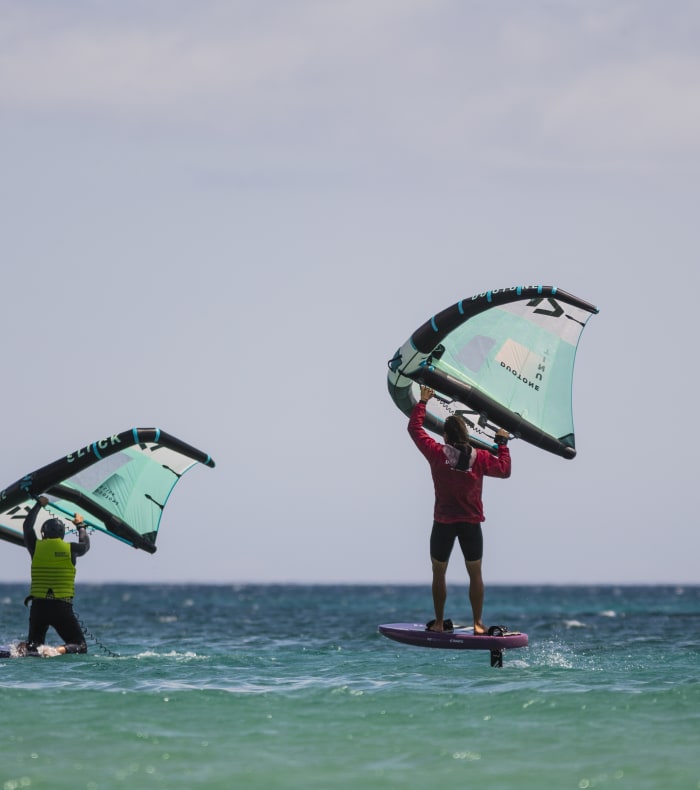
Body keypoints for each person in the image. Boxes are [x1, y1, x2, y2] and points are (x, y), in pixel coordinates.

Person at [408, 385, 512, 634]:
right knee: (475, 574)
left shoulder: (436, 453)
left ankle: (440, 623)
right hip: (470, 523)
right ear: (466, 435)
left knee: (438, 572)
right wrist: (502, 441)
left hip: (443, 522)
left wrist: (423, 402)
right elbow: (505, 469)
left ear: (445, 436)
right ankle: (477, 624)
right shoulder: (481, 458)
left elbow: (414, 429)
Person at [20, 495, 90, 656]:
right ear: (62, 535)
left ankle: (23, 648)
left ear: (43, 534)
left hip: (39, 607)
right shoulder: (71, 548)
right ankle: (57, 650)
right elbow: (85, 545)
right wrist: (80, 525)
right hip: (61, 607)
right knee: (80, 645)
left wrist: (39, 505)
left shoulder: (36, 547)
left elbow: (27, 527)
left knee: (34, 648)